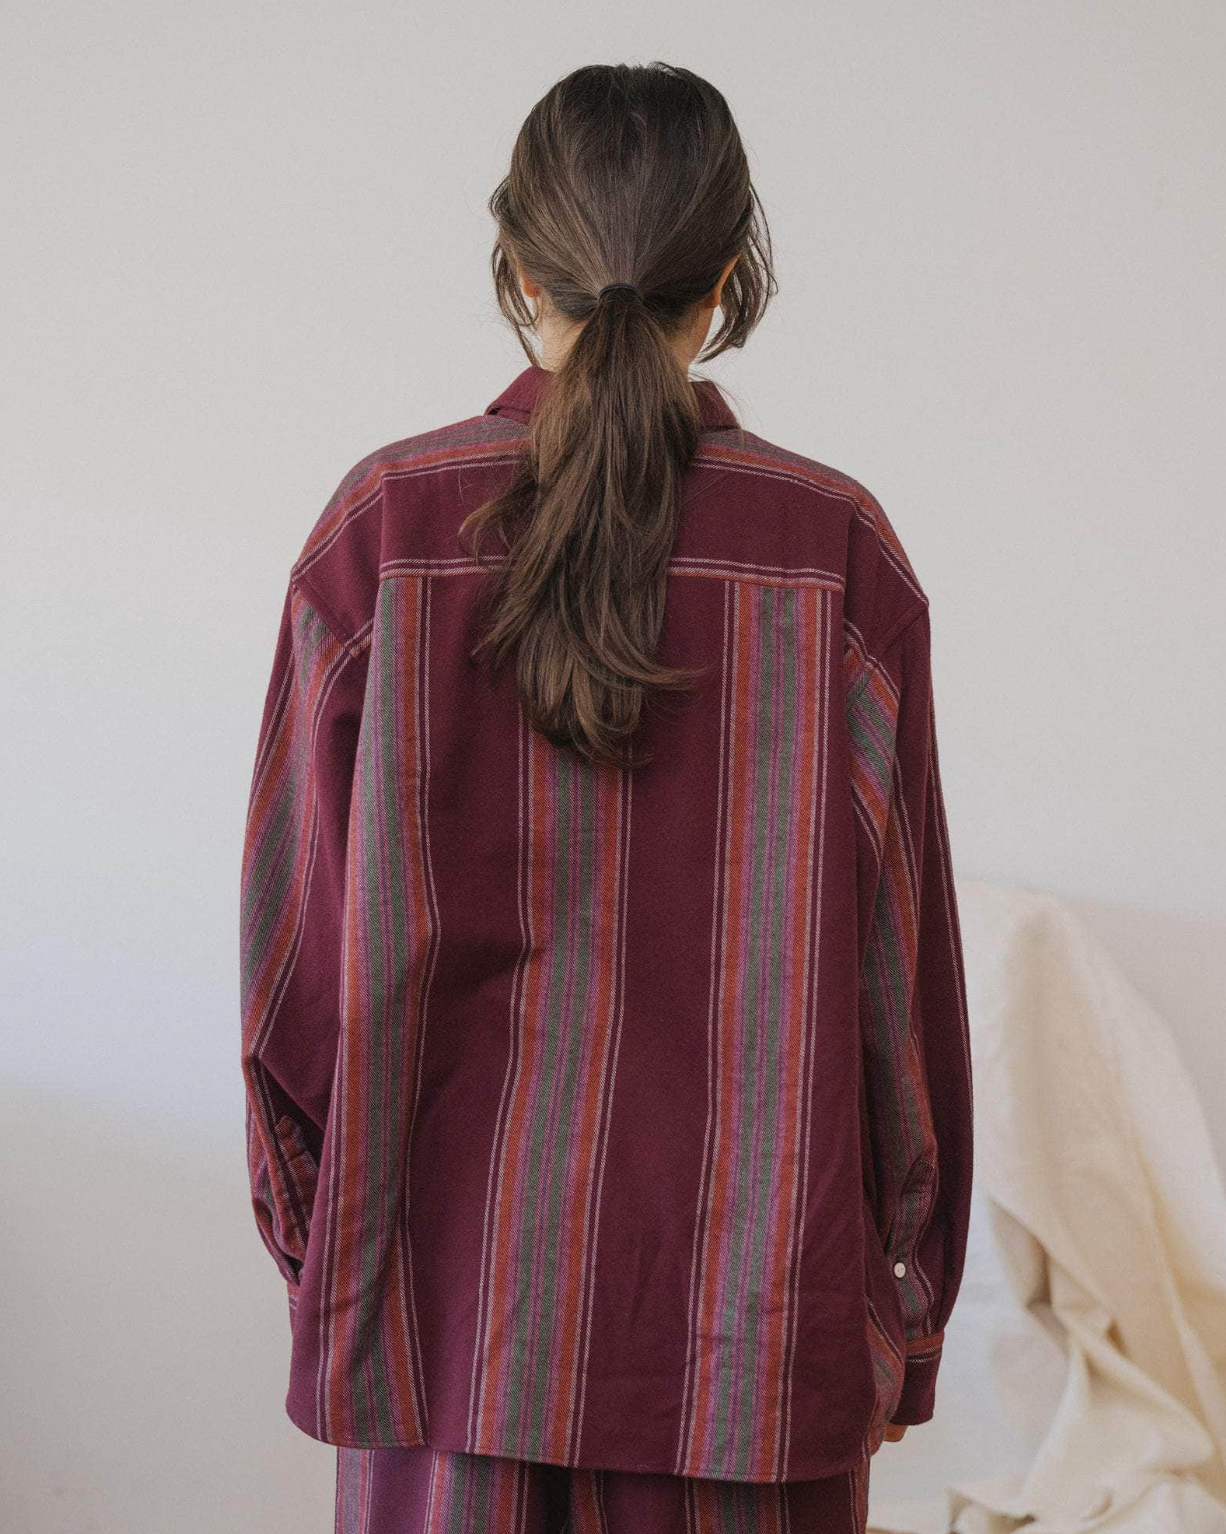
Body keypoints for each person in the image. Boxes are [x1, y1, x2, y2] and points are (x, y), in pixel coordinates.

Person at [239, 59, 973, 1534]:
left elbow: (293, 976)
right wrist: (892, 1311)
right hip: (754, 1355)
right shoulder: (834, 553)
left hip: (439, 1329)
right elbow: (904, 999)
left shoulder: (383, 530)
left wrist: (336, 1250)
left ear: (516, 265)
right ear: (731, 276)